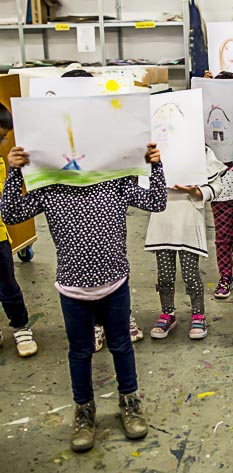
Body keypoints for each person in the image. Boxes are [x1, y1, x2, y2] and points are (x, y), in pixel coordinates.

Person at [1, 142, 166, 453]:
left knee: (121, 346)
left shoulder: (116, 181)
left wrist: (155, 165)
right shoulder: (50, 187)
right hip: (72, 290)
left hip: (114, 284)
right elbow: (11, 213)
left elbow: (157, 201)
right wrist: (14, 171)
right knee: (79, 352)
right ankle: (84, 410)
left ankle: (129, 401)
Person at [59, 68, 145, 348]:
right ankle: (96, 322)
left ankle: (122, 316)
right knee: (81, 254)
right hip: (71, 195)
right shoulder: (58, 127)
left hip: (107, 193)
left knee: (112, 251)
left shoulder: (105, 119)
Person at [146, 146, 225, 339]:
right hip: (162, 219)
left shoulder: (200, 149)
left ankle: (198, 314)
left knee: (191, 274)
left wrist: (199, 192)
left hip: (188, 220)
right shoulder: (156, 150)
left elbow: (216, 185)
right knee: (164, 274)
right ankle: (167, 313)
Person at [203, 70, 233, 300]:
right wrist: (204, 88)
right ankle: (225, 277)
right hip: (219, 189)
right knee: (222, 238)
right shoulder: (207, 119)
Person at [0, 103, 37, 357]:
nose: (2, 143)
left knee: (8, 285)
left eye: (3, 138)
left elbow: (5, 203)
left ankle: (21, 326)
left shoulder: (0, 164)